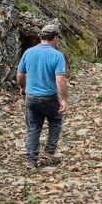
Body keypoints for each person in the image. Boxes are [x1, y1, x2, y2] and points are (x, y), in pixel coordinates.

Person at [16, 21, 68, 170]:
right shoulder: (57, 55)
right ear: (55, 37)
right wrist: (64, 99)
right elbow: (60, 79)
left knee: (33, 128)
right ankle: (50, 152)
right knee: (56, 120)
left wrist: (22, 88)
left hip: (31, 97)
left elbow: (20, 74)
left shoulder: (28, 52)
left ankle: (31, 161)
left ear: (41, 37)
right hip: (49, 97)